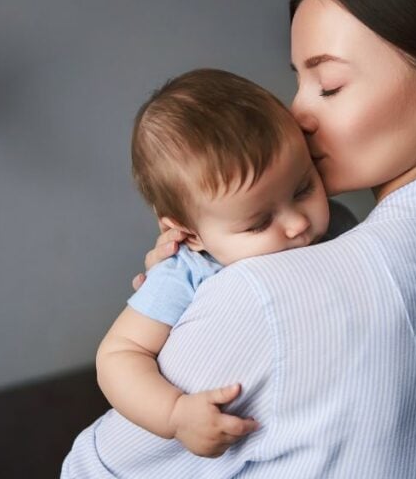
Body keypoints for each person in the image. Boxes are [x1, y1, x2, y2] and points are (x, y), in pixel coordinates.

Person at [63, 0, 416, 478]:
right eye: (299, 81)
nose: (298, 115)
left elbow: (94, 471)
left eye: (330, 84)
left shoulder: (265, 291)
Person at [96, 68, 355, 457]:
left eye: (303, 187)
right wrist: (176, 414)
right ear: (190, 233)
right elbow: (118, 355)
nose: (298, 222)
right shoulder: (185, 271)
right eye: (259, 223)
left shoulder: (338, 223)